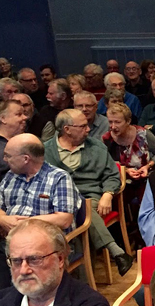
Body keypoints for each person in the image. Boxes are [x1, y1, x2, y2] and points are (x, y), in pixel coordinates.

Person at [44, 108, 134, 276]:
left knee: (81, 208)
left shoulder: (96, 147)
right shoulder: (46, 151)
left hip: (90, 197)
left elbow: (112, 175)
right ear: (67, 129)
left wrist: (107, 194)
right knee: (76, 214)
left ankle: (81, 281)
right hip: (58, 201)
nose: (88, 129)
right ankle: (116, 252)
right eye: (83, 126)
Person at [0, 133, 82, 288]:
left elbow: (64, 219)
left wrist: (26, 223)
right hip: (8, 239)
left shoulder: (59, 178)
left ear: (26, 159)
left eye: (8, 156)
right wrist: (4, 220)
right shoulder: (11, 176)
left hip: (43, 243)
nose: (5, 160)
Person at [103, 102, 155, 202]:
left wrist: (147, 166)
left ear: (128, 121)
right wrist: (126, 171)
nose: (113, 126)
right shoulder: (107, 139)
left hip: (145, 178)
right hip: (121, 181)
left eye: (117, 122)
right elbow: (106, 164)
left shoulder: (142, 134)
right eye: (110, 122)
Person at [0, 100, 29, 179]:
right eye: (19, 114)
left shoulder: (30, 141)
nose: (25, 117)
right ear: (3, 118)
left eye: (24, 114)